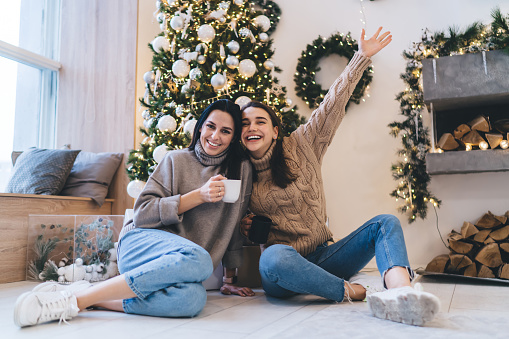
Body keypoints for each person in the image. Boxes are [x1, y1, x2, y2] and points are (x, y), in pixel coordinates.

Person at [239, 27, 440, 326]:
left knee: (385, 223)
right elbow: (228, 226)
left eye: (260, 121)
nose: (252, 127)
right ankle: (349, 291)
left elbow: (332, 104)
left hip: (325, 256)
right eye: (244, 123)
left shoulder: (302, 145)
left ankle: (402, 294)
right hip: (282, 271)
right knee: (272, 257)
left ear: (275, 130)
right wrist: (244, 227)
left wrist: (361, 57)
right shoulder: (239, 174)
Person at [14, 99, 255, 328]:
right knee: (200, 259)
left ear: (233, 138)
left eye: (225, 131)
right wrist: (197, 196)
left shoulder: (240, 170)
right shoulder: (175, 160)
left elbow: (232, 224)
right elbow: (142, 213)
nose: (215, 136)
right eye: (210, 126)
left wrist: (228, 280)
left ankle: (88, 295)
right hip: (141, 243)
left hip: (181, 264)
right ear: (200, 127)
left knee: (192, 299)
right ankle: (72, 303)